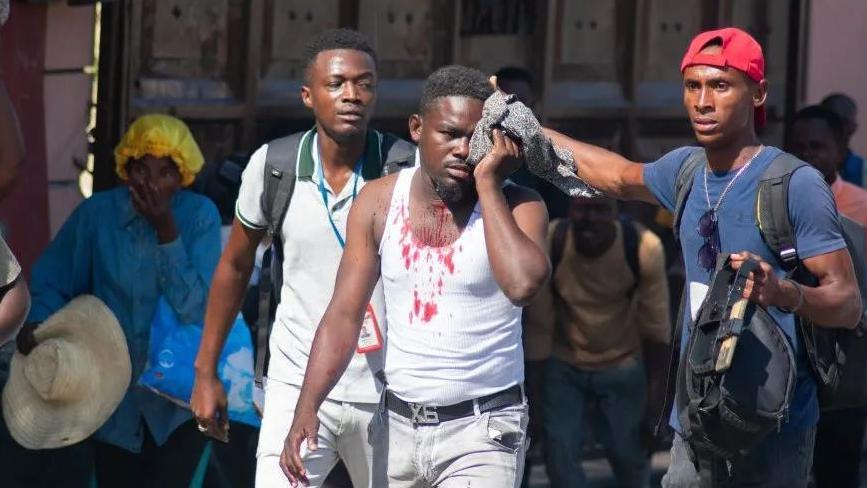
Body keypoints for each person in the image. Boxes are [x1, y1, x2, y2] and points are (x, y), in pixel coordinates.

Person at [536, 27, 861, 487]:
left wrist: (784, 291)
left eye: (721, 86)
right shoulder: (686, 169)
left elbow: (847, 304)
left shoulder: (795, 184)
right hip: (697, 419)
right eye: (693, 86)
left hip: (774, 424)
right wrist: (531, 129)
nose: (702, 101)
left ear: (758, 93)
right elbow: (616, 175)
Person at [281, 65, 550, 486]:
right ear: (416, 129)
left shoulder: (519, 206)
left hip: (485, 432)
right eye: (450, 134)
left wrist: (488, 183)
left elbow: (522, 285)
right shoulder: (378, 201)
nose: (464, 149)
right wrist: (306, 406)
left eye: (476, 137)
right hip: (397, 430)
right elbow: (344, 314)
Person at [190, 29, 413, 488]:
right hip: (295, 385)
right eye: (336, 84)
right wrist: (205, 371)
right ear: (308, 96)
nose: (352, 95)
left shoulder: (406, 170)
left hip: (389, 390)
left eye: (365, 83)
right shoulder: (275, 166)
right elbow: (234, 266)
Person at [5, 114, 221, 487]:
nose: (152, 182)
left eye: (166, 171)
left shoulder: (199, 216)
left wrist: (166, 230)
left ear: (183, 176)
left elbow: (194, 307)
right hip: (110, 402)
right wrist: (39, 325)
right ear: (126, 170)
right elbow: (53, 280)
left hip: (177, 405)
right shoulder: (97, 215)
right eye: (142, 169)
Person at [524, 196, 670, 487]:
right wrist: (534, 406)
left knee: (630, 457)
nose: (590, 219)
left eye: (601, 209)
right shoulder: (552, 240)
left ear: (616, 214)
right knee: (560, 455)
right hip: (564, 361)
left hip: (622, 360)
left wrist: (657, 408)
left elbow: (657, 331)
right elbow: (539, 329)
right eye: (582, 209)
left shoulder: (643, 246)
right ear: (570, 211)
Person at [788, 104, 867, 488]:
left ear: (839, 151)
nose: (806, 156)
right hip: (789, 370)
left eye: (816, 146)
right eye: (798, 147)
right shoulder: (774, 203)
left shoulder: (861, 207)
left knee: (838, 471)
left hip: (846, 370)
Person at [821, 93, 865, 188]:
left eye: (843, 121)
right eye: (831, 120)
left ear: (853, 127)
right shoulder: (802, 169)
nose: (838, 127)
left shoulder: (863, 173)